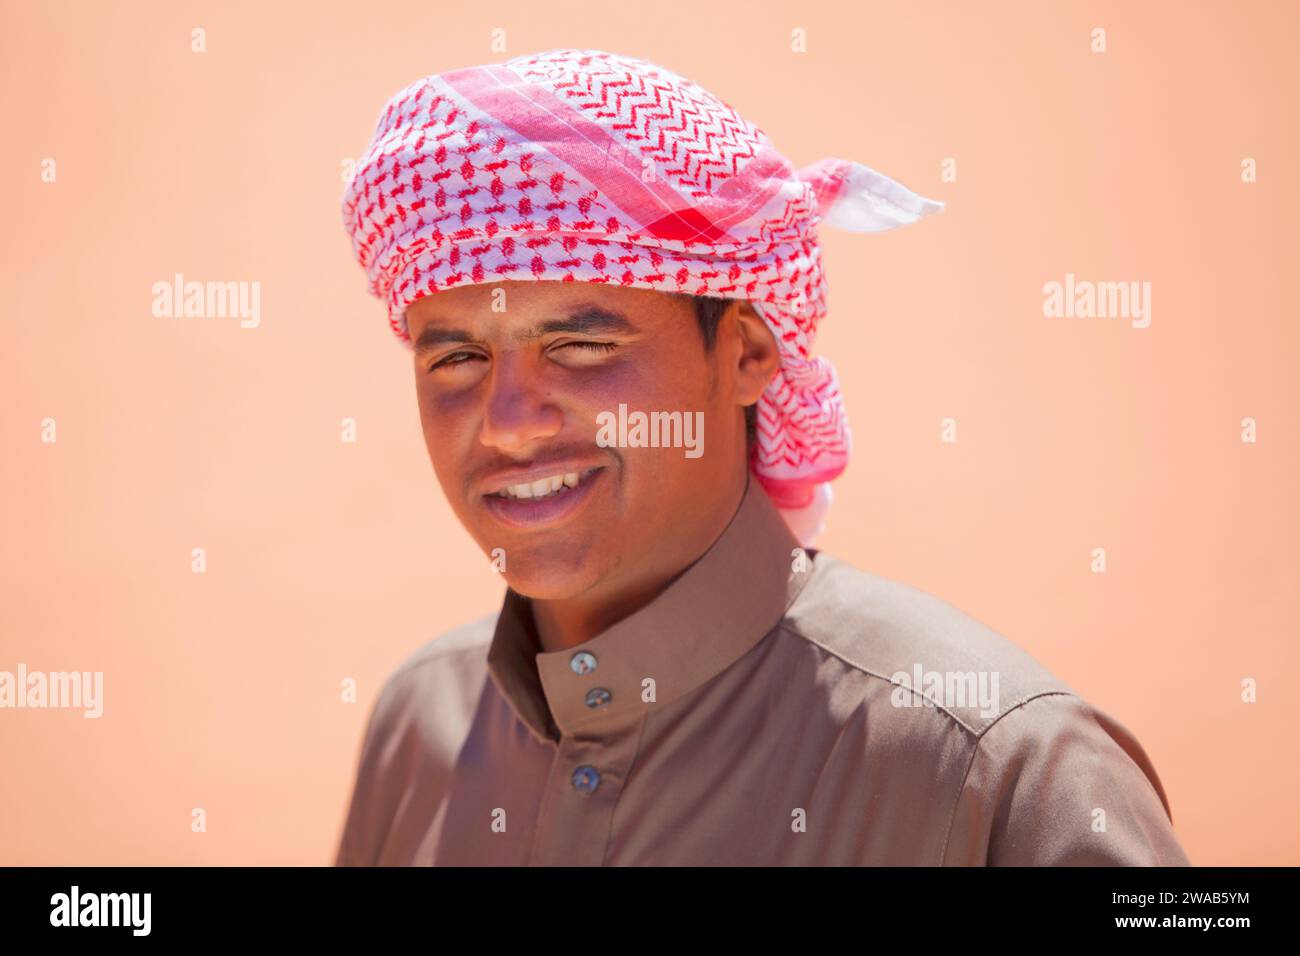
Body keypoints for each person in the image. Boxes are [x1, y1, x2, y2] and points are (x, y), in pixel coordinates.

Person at [333, 48, 1191, 866]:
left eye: (579, 346)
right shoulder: (422, 724)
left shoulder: (1000, 765)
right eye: (456, 358)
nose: (509, 424)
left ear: (746, 353)